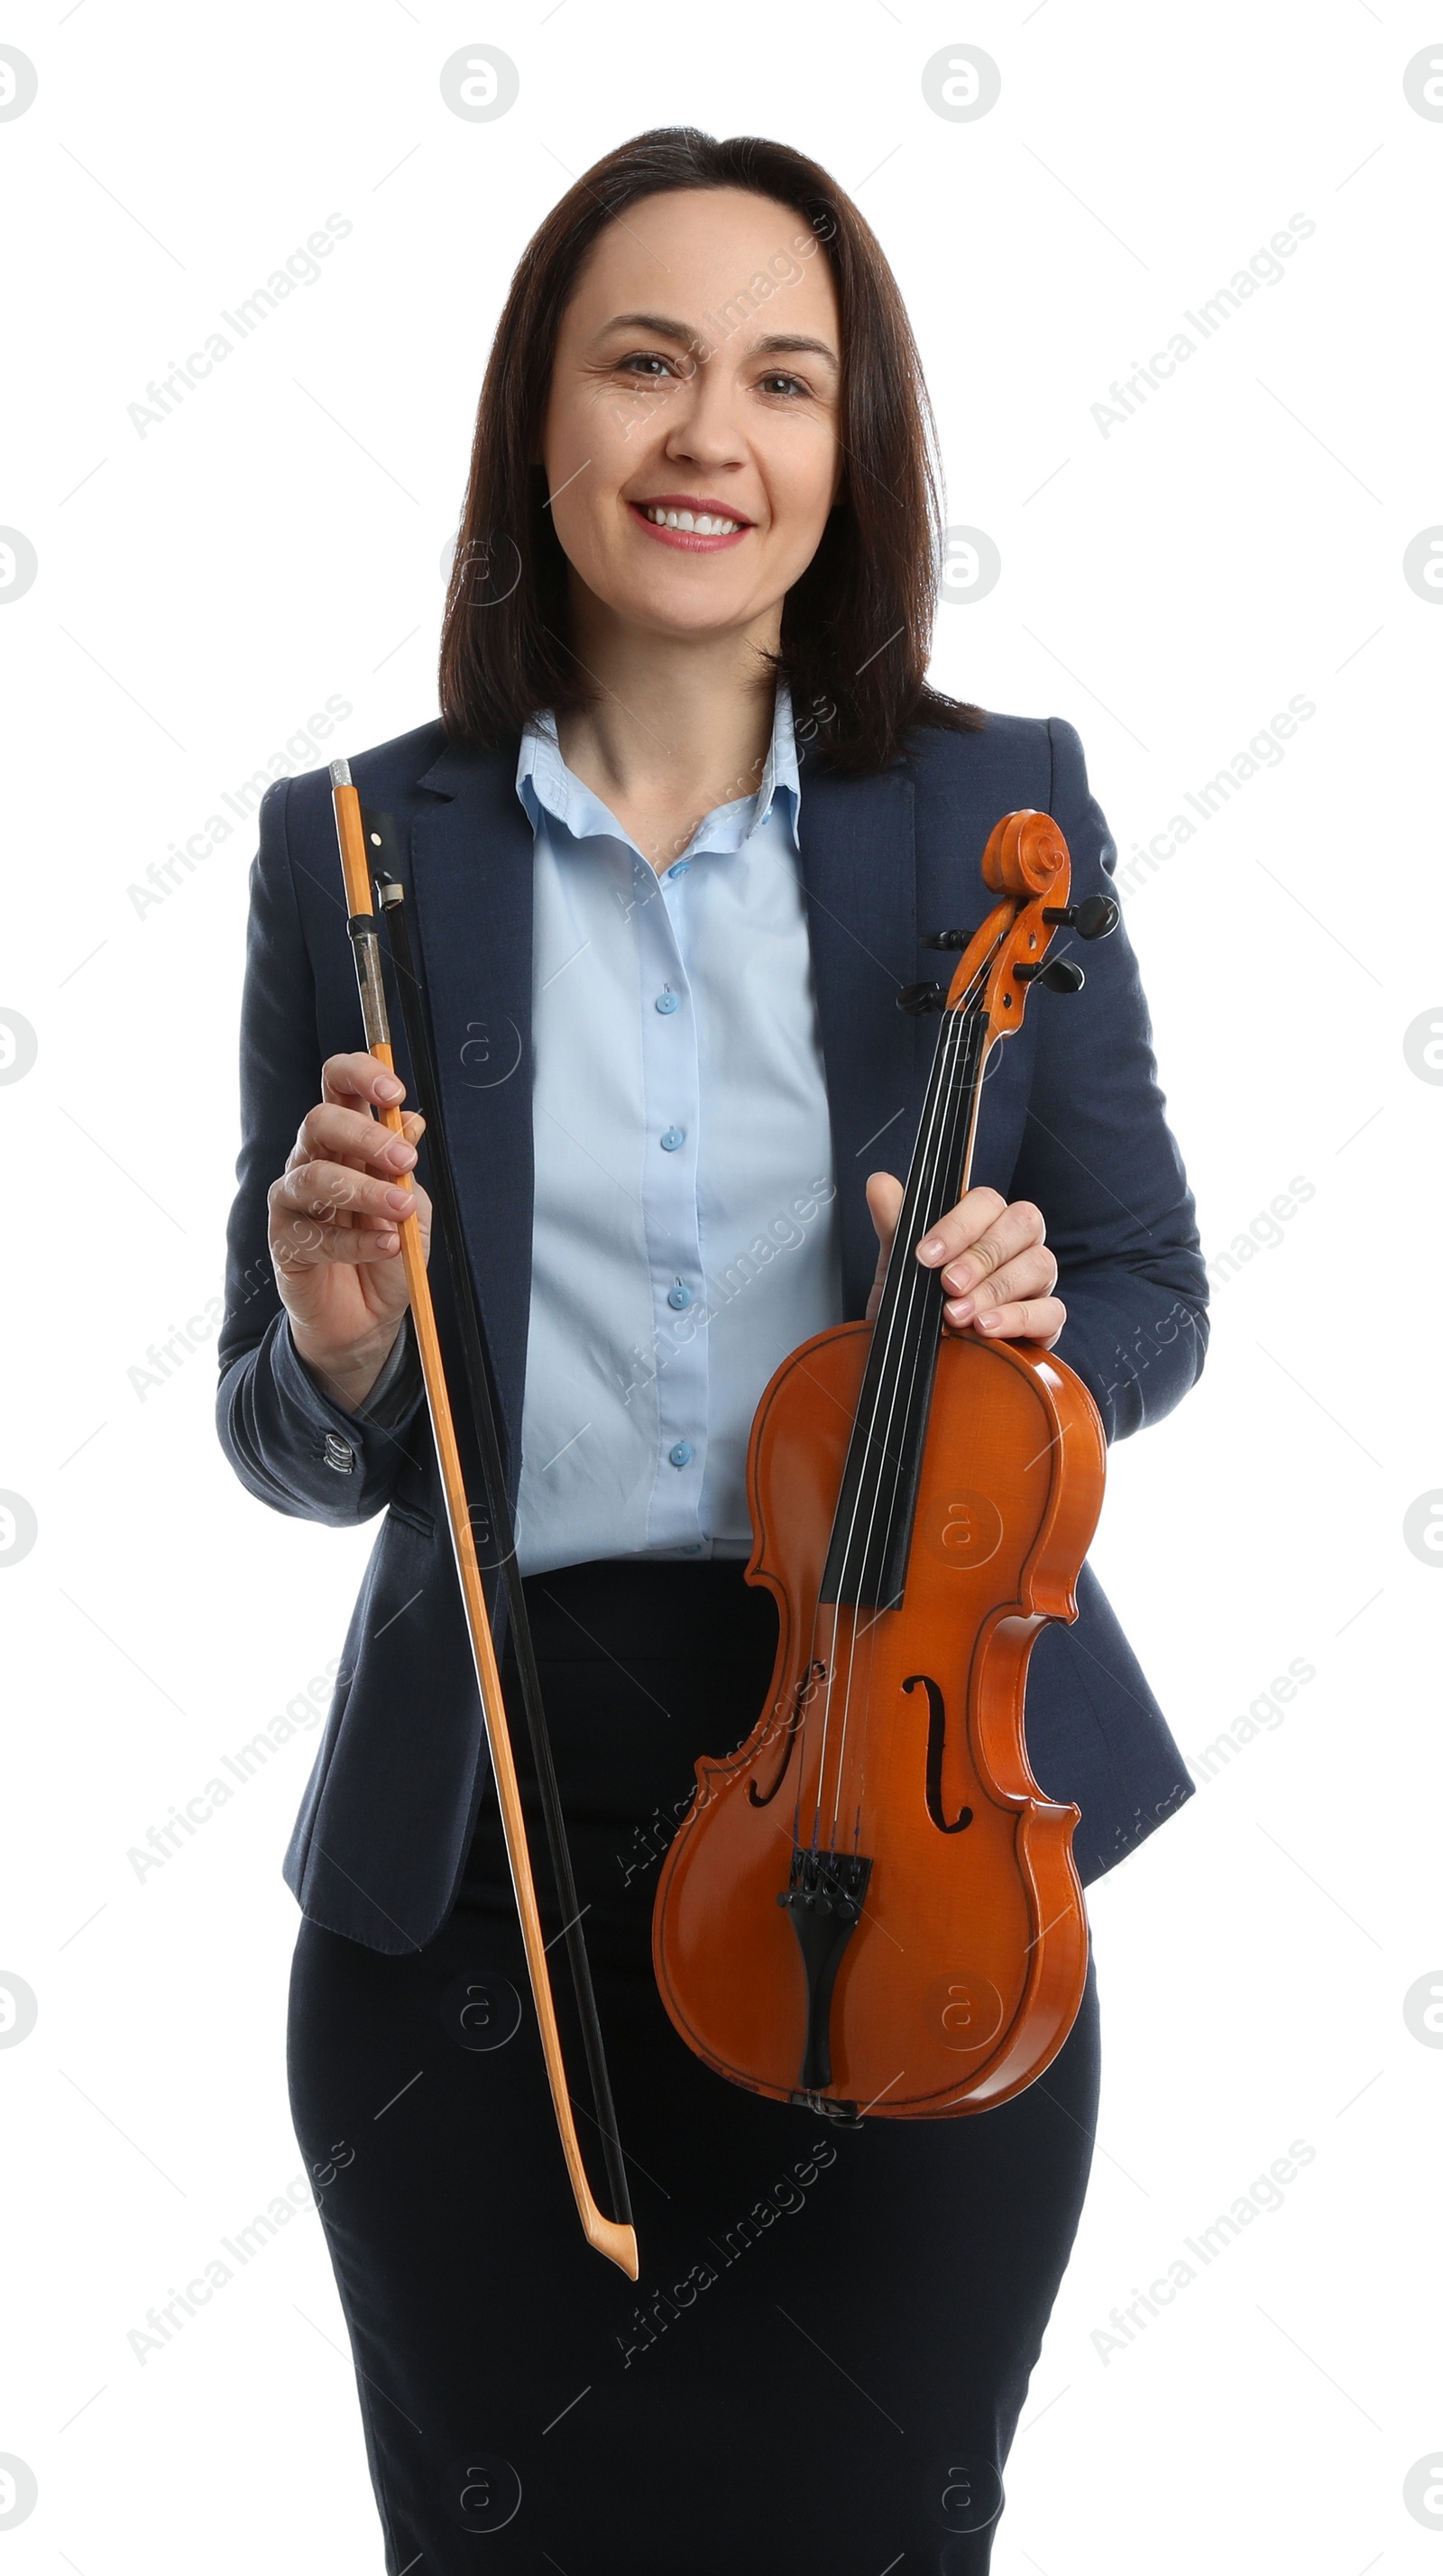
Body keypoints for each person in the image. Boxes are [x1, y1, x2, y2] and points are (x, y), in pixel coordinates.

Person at [217, 127, 1208, 2576]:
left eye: (785, 378)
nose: (711, 437)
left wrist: (1022, 1327)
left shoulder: (1001, 815)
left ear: (850, 447)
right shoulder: (352, 847)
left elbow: (1157, 1296)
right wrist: (336, 1350)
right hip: (480, 1877)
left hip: (910, 1847)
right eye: (643, 362)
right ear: (540, 415)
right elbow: (294, 1428)